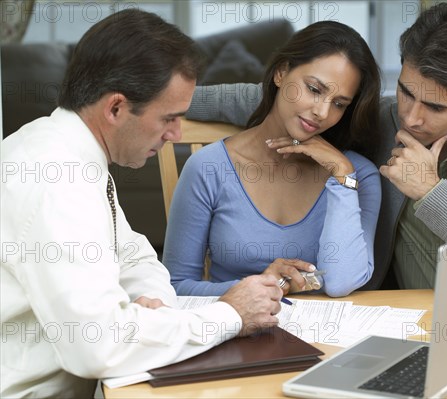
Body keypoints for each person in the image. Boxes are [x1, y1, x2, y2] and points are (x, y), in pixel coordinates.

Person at [183, 3, 447, 299]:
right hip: (396, 318)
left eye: (435, 107)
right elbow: (271, 99)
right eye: (406, 92)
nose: (411, 118)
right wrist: (163, 100)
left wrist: (432, 193)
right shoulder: (381, 121)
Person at [0, 9, 282, 398]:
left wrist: (159, 309)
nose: (176, 133)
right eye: (169, 117)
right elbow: (99, 346)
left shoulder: (69, 151)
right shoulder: (58, 180)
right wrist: (229, 315)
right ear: (115, 108)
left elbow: (134, 255)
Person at [162, 21, 382, 298]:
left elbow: (340, 283)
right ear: (281, 73)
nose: (322, 112)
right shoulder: (208, 168)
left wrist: (343, 177)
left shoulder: (357, 175)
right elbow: (176, 286)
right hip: (233, 330)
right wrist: (261, 286)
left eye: (339, 104)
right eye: (314, 89)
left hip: (327, 337)